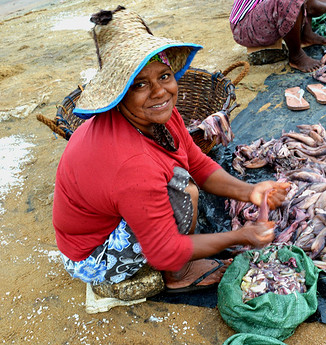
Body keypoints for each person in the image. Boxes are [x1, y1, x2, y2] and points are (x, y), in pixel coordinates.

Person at [52, 6, 290, 298]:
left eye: (164, 76)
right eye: (140, 84)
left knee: (184, 180)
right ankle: (180, 275)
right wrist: (242, 236)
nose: (160, 92)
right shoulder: (132, 163)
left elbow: (196, 161)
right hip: (93, 254)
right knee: (184, 191)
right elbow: (164, 251)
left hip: (115, 212)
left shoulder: (159, 114)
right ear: (119, 93)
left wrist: (250, 192)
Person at [229, 0, 326, 72]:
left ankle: (307, 35)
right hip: (244, 28)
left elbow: (310, 4)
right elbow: (308, 6)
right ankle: (296, 56)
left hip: (260, 17)